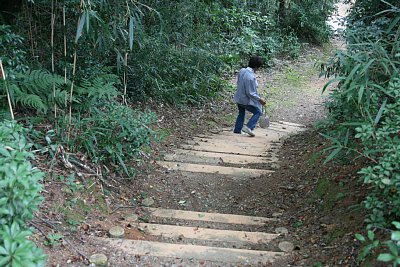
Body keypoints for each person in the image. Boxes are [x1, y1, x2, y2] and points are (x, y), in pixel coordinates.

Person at [233, 55, 266, 137]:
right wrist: (259, 99)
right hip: (245, 99)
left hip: (238, 97)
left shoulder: (242, 71)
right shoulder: (250, 77)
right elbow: (250, 93)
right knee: (258, 112)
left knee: (241, 113)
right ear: (256, 66)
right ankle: (248, 127)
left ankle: (237, 130)